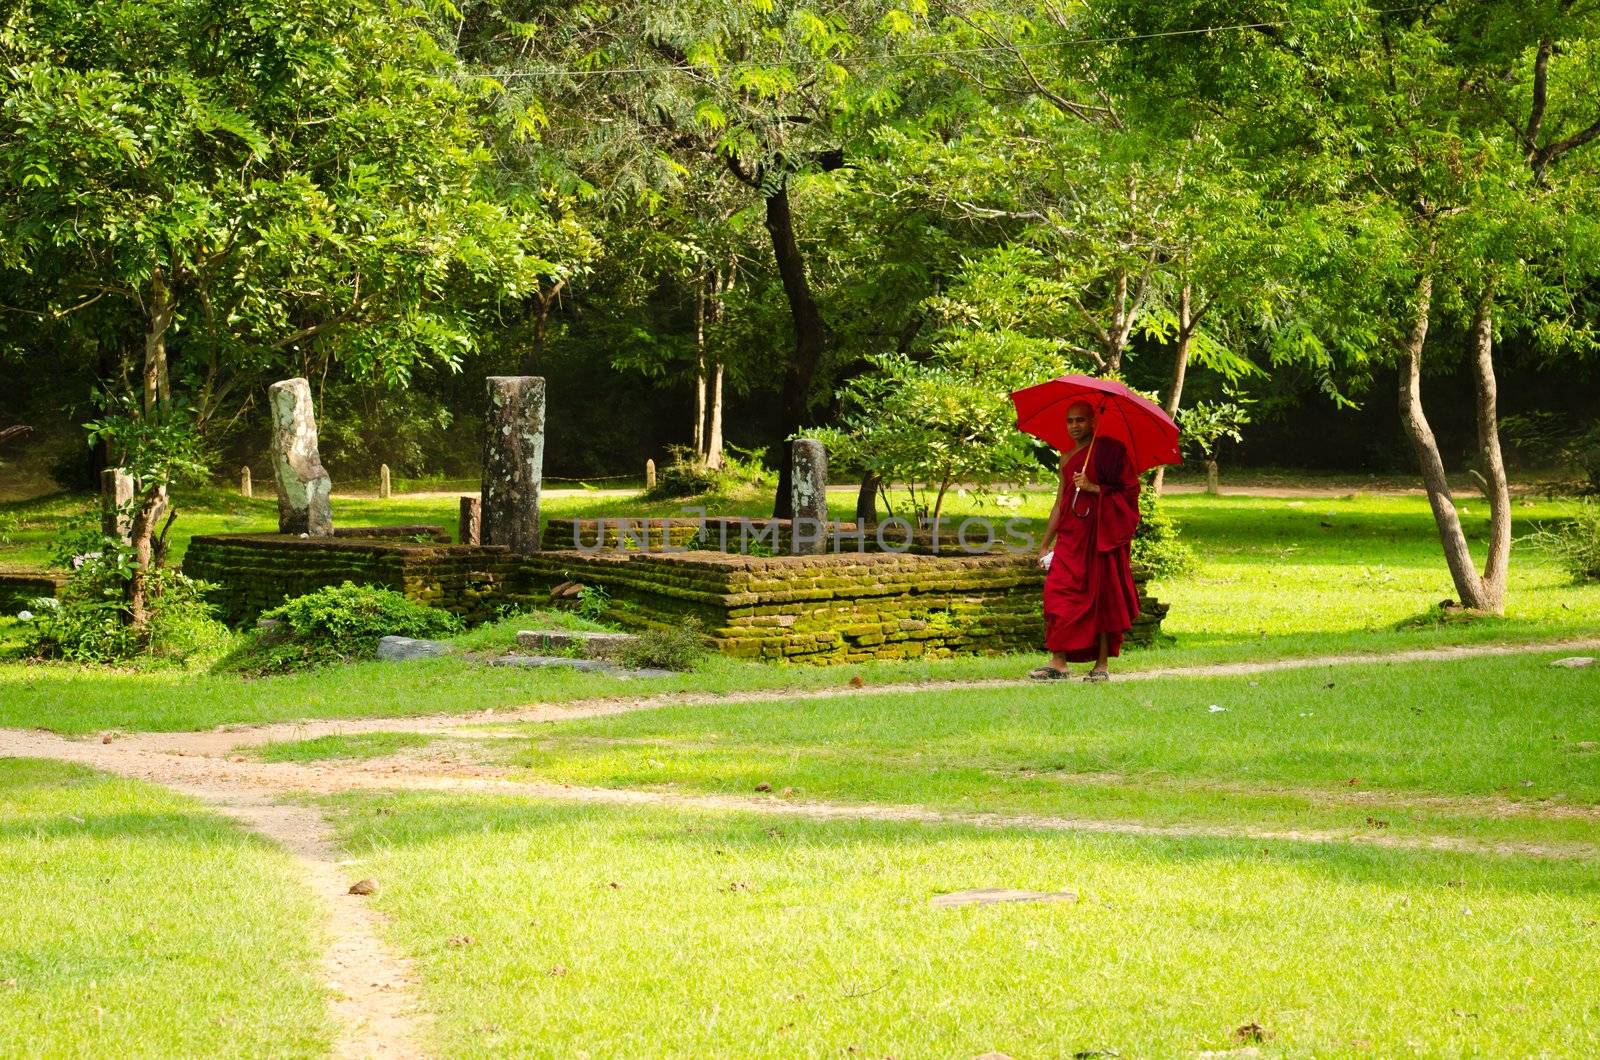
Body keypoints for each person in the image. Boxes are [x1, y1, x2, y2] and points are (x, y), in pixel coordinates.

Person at [1029, 401, 1141, 682]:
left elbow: (1130, 492)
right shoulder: (1066, 457)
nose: (1075, 425)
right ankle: (1059, 662)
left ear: (1093, 422)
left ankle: (1101, 666)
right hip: (1071, 536)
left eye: (1080, 420)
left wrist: (1094, 487)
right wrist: (1045, 543)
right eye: (1070, 421)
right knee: (1057, 592)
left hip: (1101, 535)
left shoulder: (1111, 451)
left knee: (1101, 597)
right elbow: (1060, 503)